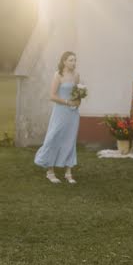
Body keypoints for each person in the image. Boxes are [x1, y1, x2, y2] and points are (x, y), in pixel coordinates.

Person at [34, 51, 82, 183]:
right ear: (64, 62)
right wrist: (67, 102)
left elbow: (77, 94)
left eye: (75, 60)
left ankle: (68, 172)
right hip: (60, 112)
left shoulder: (76, 76)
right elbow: (52, 96)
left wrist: (78, 102)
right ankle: (50, 171)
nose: (73, 63)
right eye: (71, 60)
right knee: (53, 138)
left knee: (70, 140)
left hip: (73, 114)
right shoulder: (58, 75)